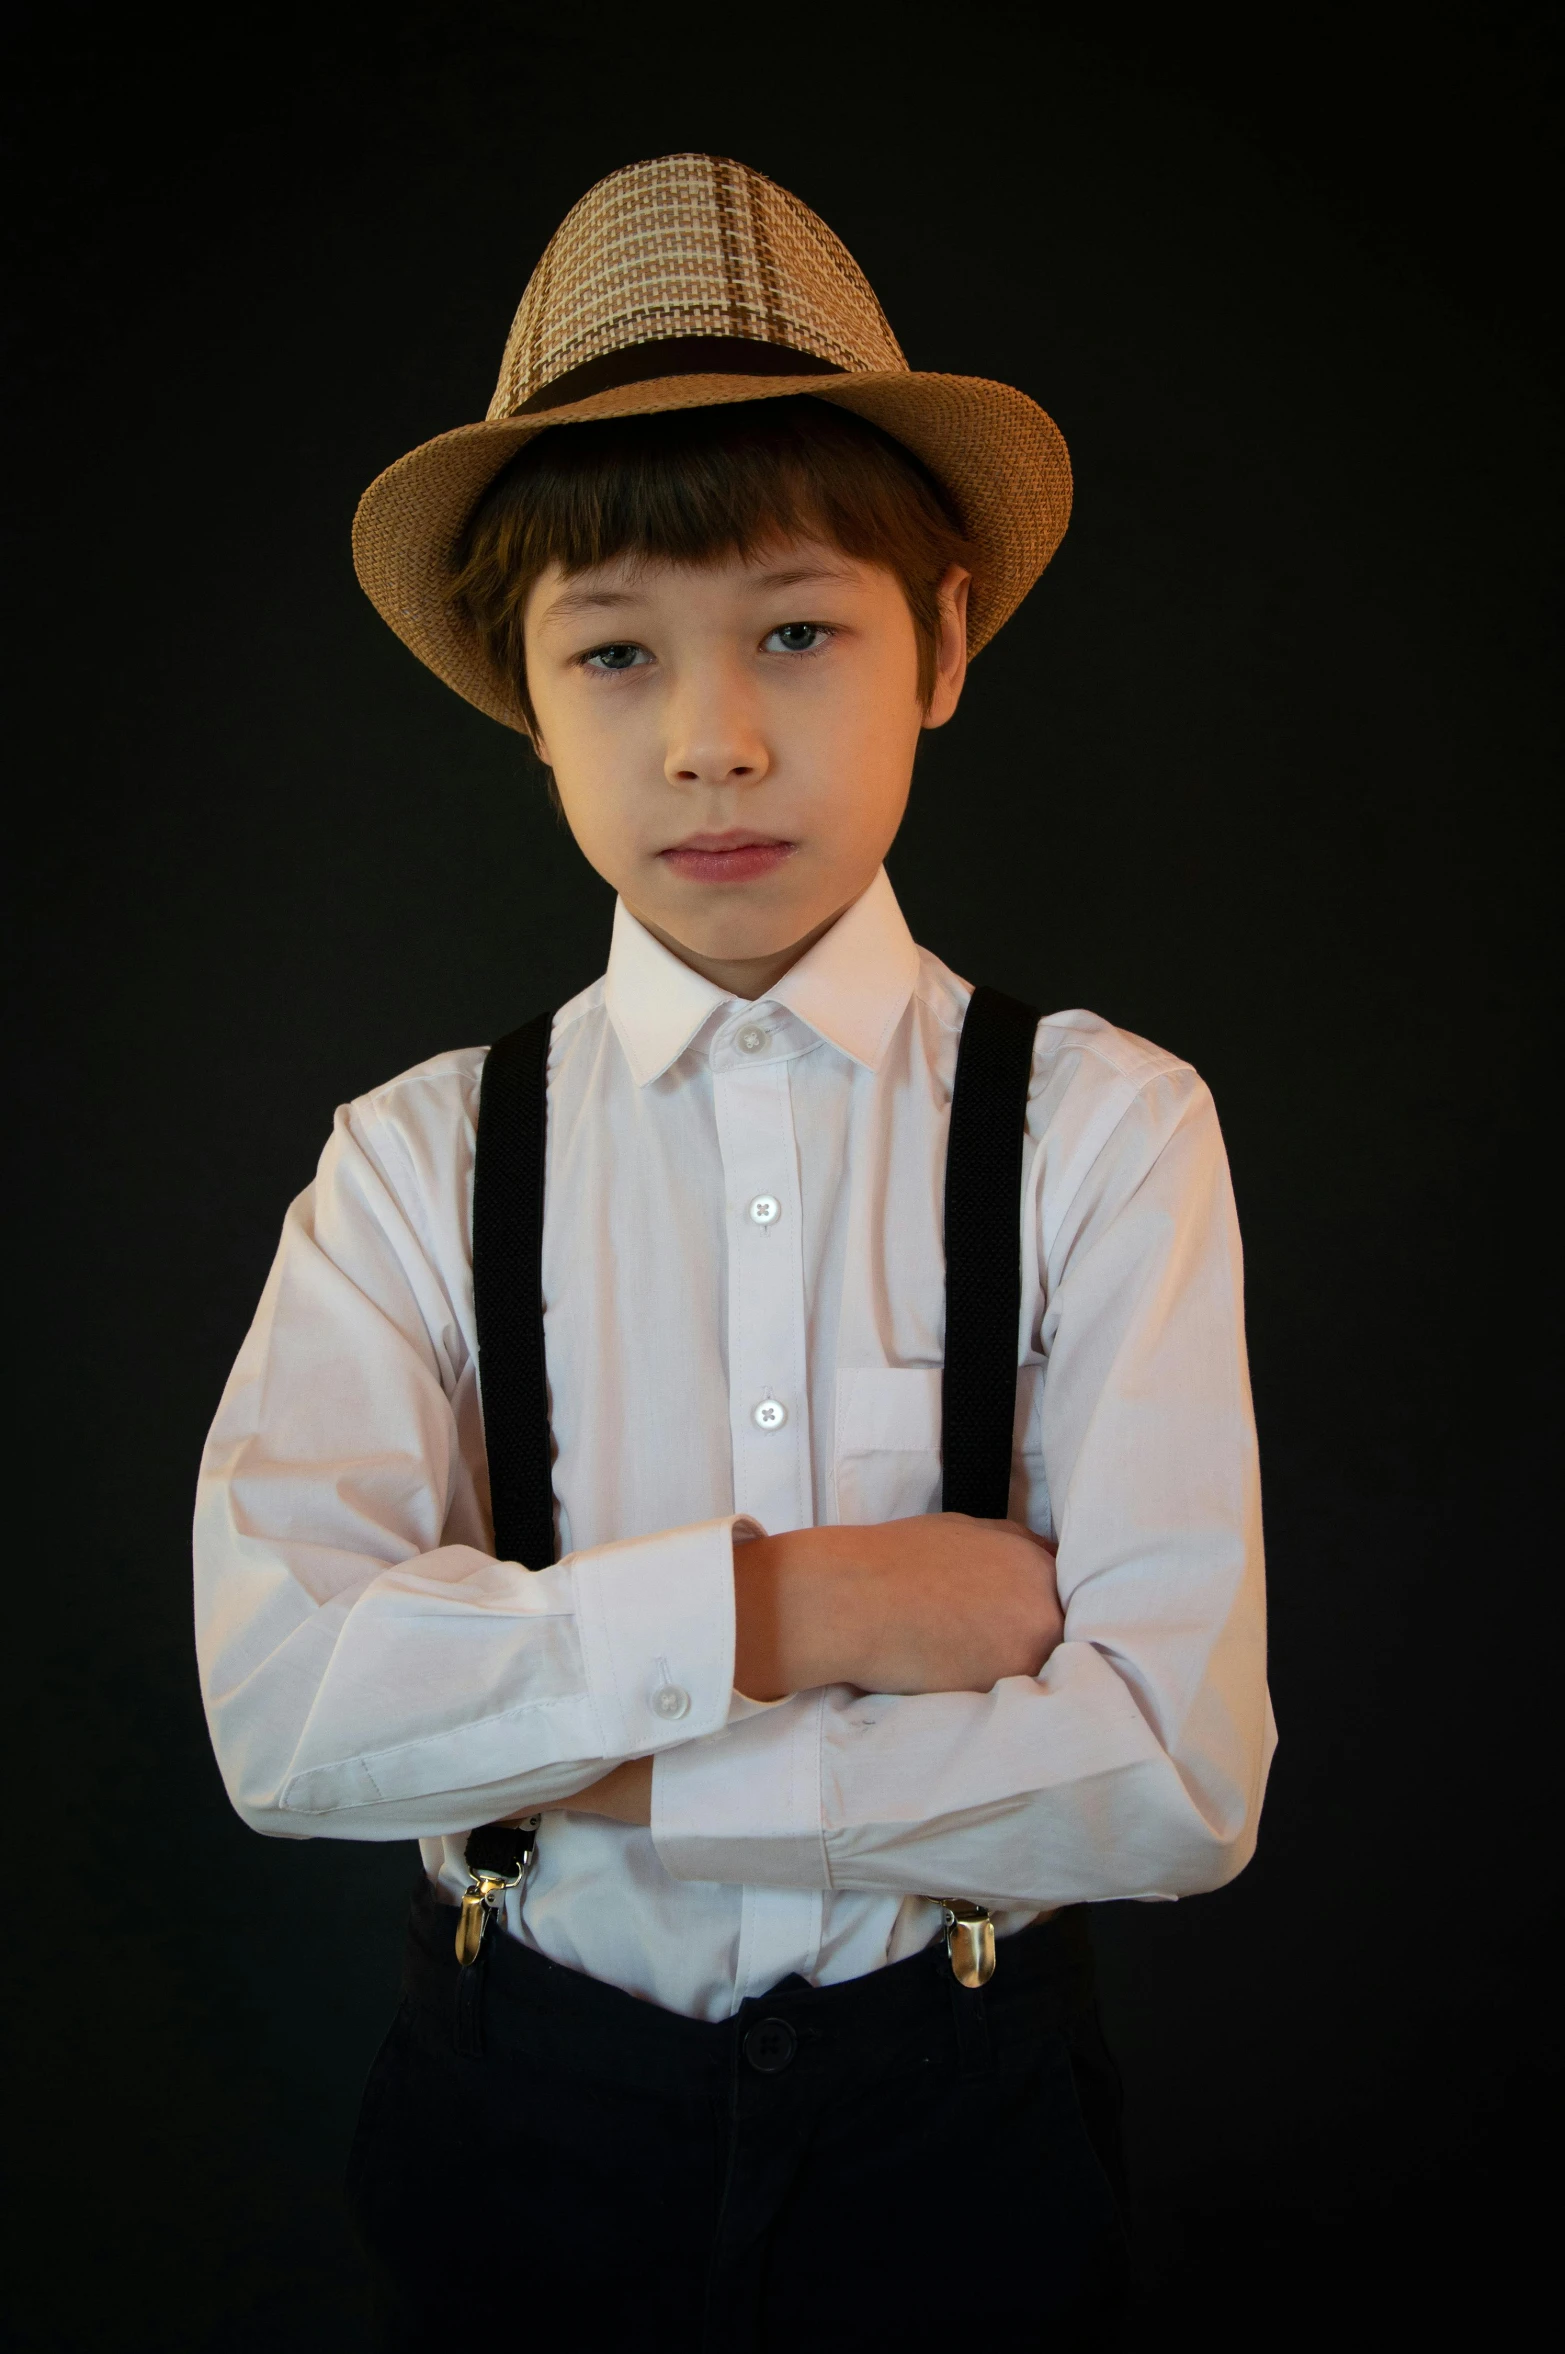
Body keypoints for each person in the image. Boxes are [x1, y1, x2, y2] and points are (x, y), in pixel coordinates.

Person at [194, 153, 1274, 2350]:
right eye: (615, 651)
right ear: (524, 687)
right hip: (524, 2119)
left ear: (941, 641)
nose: (710, 732)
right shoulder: (416, 1158)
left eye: (797, 626)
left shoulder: (1101, 1127)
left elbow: (1170, 1773)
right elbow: (287, 1716)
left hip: (956, 2126)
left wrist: (547, 1731)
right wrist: (812, 1608)